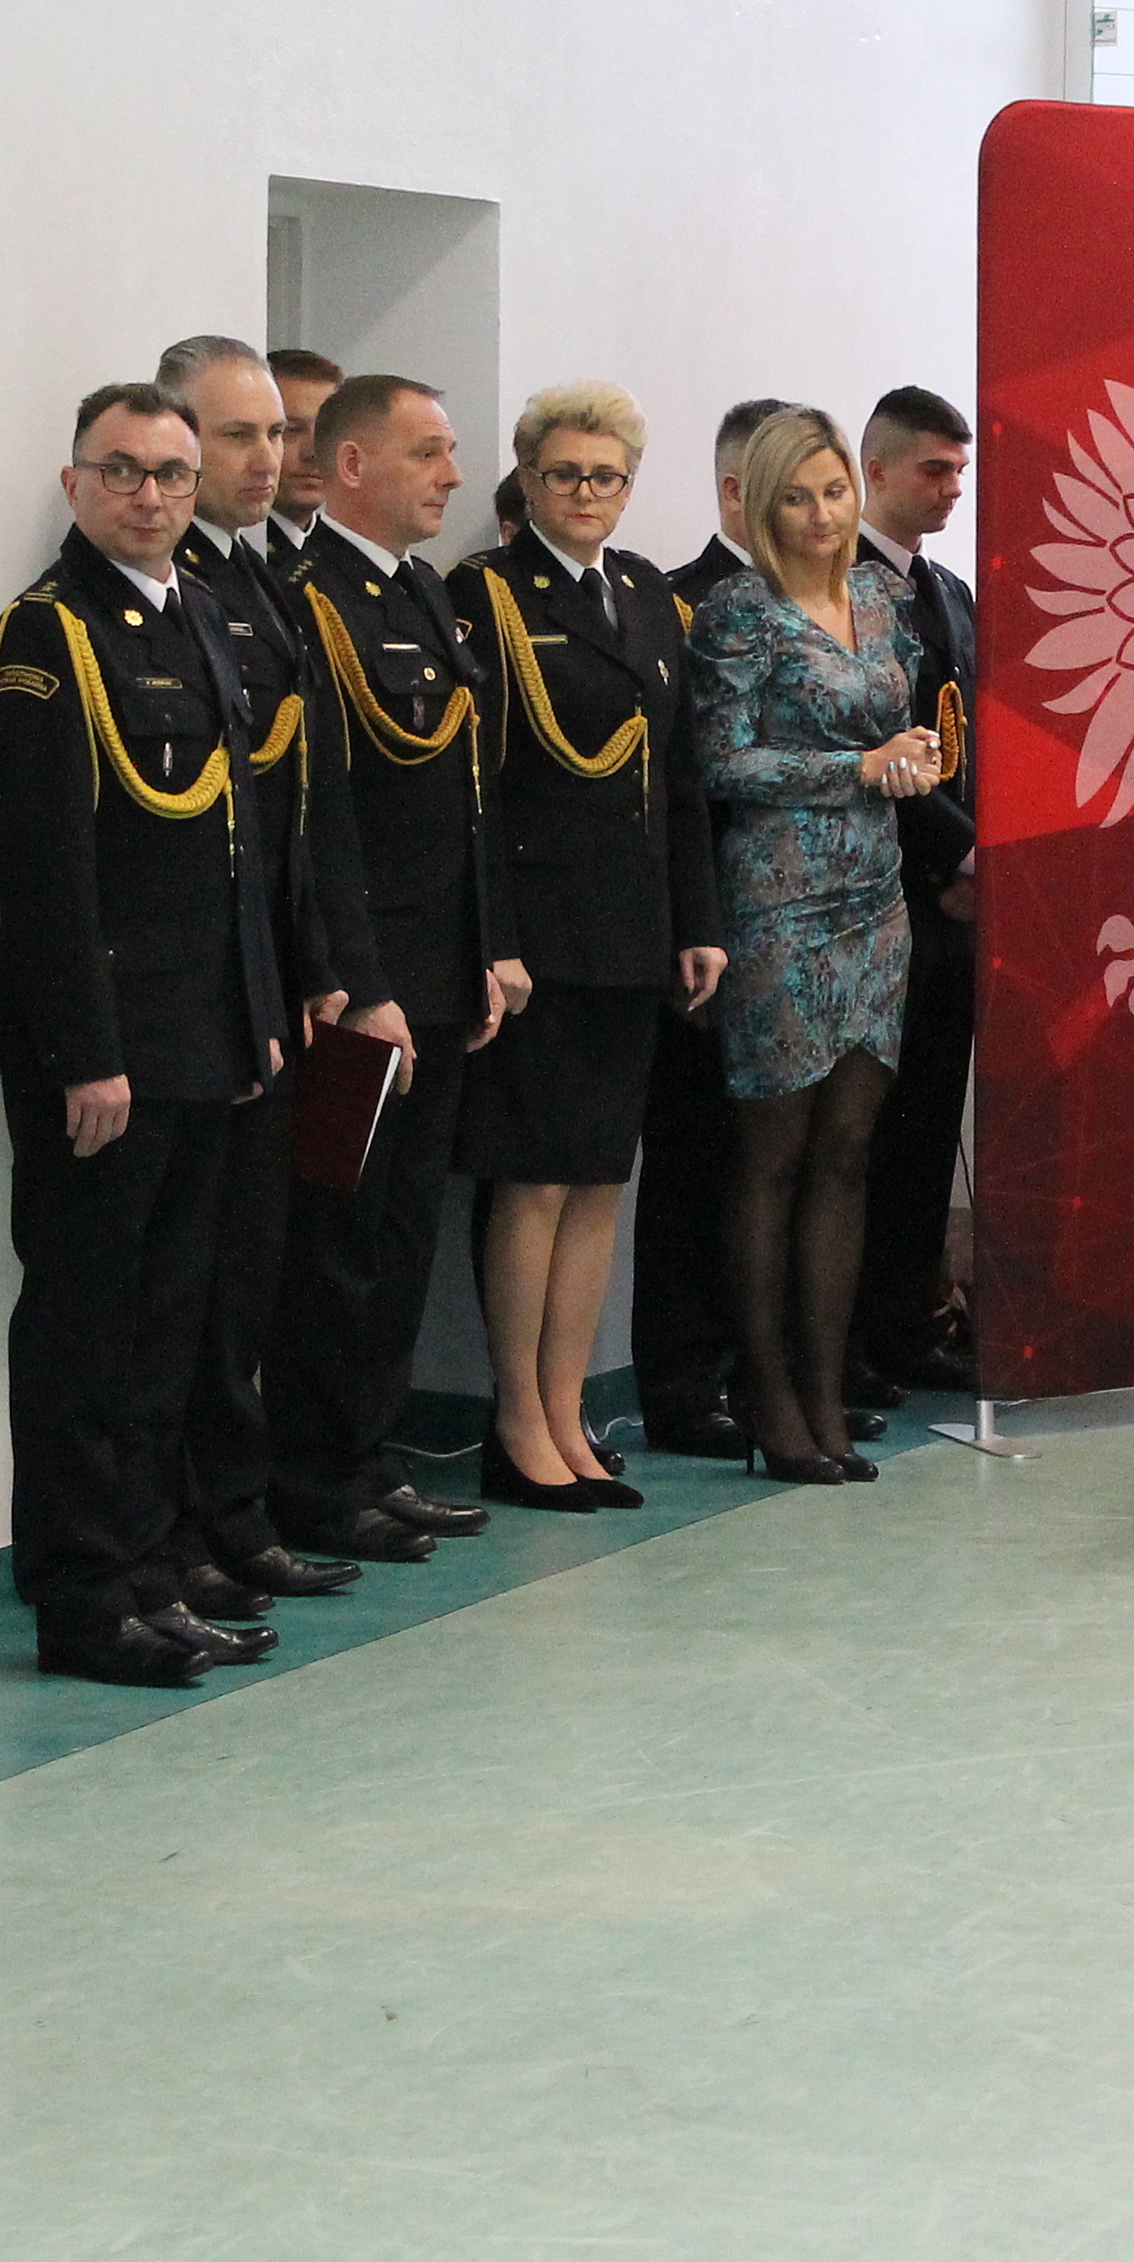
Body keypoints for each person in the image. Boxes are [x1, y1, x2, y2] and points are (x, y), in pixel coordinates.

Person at [0, 384, 292, 1686]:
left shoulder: (200, 613)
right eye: (121, 471)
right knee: (85, 1336)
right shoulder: (49, 633)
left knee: (170, 1332)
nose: (150, 495)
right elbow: (41, 866)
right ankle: (82, 1598)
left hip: (204, 1037)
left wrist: (257, 1017)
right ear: (75, 485)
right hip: (106, 1051)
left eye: (169, 472)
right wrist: (85, 1052)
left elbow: (235, 848)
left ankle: (154, 1571)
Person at [455, 384, 723, 1512]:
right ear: (526, 478)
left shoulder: (647, 594)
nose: (586, 493)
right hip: (540, 941)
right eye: (565, 473)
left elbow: (678, 773)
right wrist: (494, 937)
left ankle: (568, 1410)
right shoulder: (483, 595)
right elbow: (473, 791)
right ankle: (517, 1417)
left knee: (600, 1180)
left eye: (607, 475)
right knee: (533, 1182)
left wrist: (696, 920)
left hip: (629, 934)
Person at [265, 375, 508, 1564]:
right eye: (427, 453)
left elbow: (462, 801)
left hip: (440, 972)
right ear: (352, 465)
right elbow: (326, 821)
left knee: (403, 1238)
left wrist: (484, 948)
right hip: (369, 985)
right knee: (341, 1247)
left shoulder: (418, 593)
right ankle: (316, 1479)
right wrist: (360, 984)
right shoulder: (310, 602)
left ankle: (371, 1459)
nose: (452, 475)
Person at [150, 339, 373, 1610]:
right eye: (238, 434)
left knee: (245, 1281)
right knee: (177, 1299)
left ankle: (234, 1516)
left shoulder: (264, 581)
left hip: (270, 990)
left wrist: (320, 963)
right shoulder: (166, 589)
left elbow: (307, 806)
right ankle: (180, 1529)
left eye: (274, 434)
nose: (266, 457)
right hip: (193, 995)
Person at [686, 407, 940, 1484]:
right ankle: (768, 1395)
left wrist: (912, 754)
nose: (821, 514)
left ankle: (826, 1393)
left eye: (834, 492)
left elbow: (895, 727)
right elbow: (721, 761)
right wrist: (854, 769)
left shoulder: (882, 597)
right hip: (777, 902)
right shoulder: (738, 611)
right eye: (797, 496)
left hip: (876, 897)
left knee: (846, 1153)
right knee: (773, 1156)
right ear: (760, 505)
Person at [628, 398, 792, 1458]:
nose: (811, 510)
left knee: (781, 1163)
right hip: (714, 922)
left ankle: (775, 1372)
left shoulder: (825, 604)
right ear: (734, 491)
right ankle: (687, 1384)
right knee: (698, 1163)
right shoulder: (677, 603)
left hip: (810, 927)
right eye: (787, 488)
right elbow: (687, 782)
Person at [850, 386, 981, 1401]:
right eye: (934, 469)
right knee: (867, 1136)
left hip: (958, 907)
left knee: (929, 1130)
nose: (951, 489)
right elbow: (869, 748)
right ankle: (848, 1339)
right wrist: (957, 858)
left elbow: (972, 740)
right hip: (879, 895)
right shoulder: (844, 589)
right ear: (877, 469)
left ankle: (905, 1324)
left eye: (959, 471)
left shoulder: (951, 591)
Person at [261, 348, 346, 579]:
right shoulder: (245, 557)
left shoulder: (348, 558)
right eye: (291, 430)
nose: (314, 453)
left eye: (327, 432)